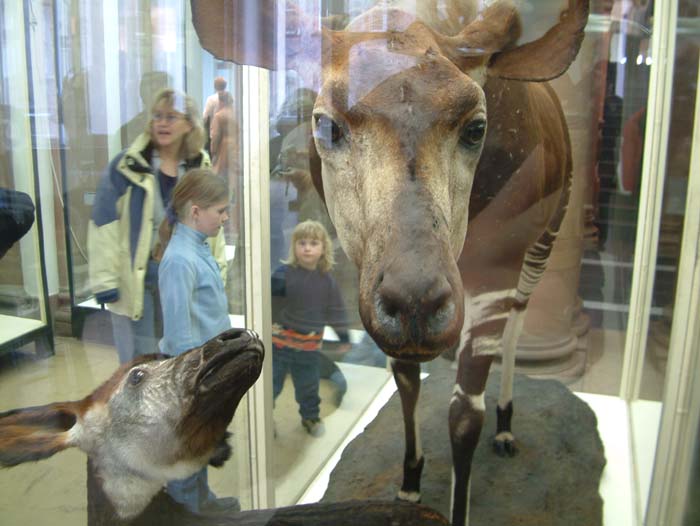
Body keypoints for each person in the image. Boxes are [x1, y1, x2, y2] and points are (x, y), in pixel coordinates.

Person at [88, 88, 223, 365]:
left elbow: (213, 225)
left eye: (171, 117)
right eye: (157, 116)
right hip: (140, 280)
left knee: (182, 352)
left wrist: (217, 270)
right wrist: (105, 281)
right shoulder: (126, 166)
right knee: (139, 359)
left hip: (185, 276)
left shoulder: (200, 167)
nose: (162, 123)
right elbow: (103, 222)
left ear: (189, 124)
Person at [156, 168, 236, 514]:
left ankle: (202, 502)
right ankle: (188, 511)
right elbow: (178, 334)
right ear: (195, 211)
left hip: (207, 369)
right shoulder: (179, 260)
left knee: (201, 446)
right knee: (186, 455)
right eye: (220, 211)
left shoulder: (198, 249)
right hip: (192, 378)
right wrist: (194, 390)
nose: (225, 217)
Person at [271, 220, 350, 437]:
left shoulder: (327, 281)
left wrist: (344, 336)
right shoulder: (282, 274)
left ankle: (310, 416)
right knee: (272, 384)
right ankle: (264, 418)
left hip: (309, 348)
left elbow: (336, 311)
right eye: (302, 242)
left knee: (308, 386)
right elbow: (269, 302)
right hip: (280, 344)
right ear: (294, 247)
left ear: (323, 248)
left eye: (313, 243)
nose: (307, 248)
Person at [202, 76, 227, 153]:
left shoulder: (211, 99)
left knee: (214, 159)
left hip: (214, 135)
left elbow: (205, 117)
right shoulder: (230, 99)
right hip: (226, 135)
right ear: (225, 85)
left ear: (215, 86)